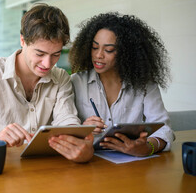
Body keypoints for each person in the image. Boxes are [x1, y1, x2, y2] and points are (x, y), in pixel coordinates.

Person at [0, 4, 94, 163]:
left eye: (56, 54)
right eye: (40, 53)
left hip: (39, 170)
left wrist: (79, 143)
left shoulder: (61, 77)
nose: (48, 64)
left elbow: (67, 122)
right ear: (22, 40)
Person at [69, 12, 175, 157]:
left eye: (109, 50)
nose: (98, 55)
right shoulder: (75, 82)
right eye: (94, 47)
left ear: (127, 52)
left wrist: (148, 147)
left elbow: (164, 129)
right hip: (88, 163)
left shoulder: (144, 85)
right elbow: (61, 128)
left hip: (131, 166)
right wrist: (82, 129)